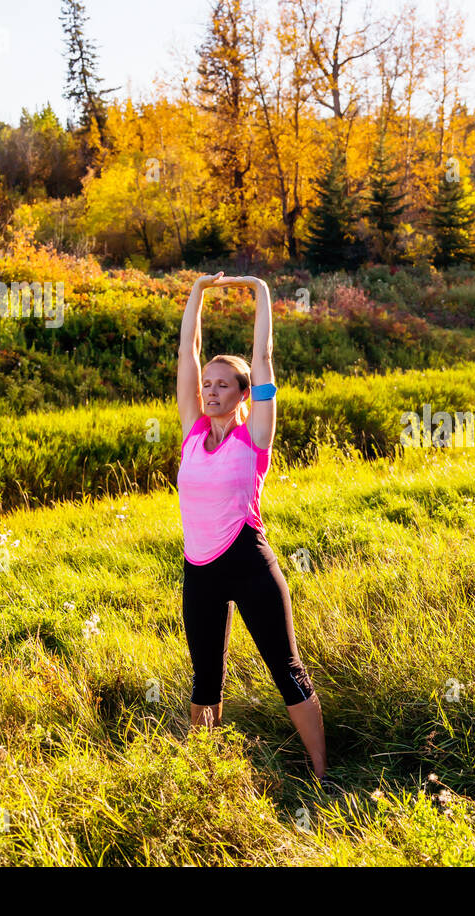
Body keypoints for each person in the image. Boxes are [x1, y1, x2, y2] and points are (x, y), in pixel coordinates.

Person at [175, 271, 326, 782]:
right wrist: (197, 294)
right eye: (208, 385)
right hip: (200, 572)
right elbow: (187, 356)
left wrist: (259, 291)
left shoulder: (255, 436)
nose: (211, 391)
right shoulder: (192, 432)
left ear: (243, 395)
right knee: (204, 679)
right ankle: (206, 776)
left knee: (286, 670)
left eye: (223, 386)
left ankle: (323, 774)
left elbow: (262, 359)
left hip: (249, 564)